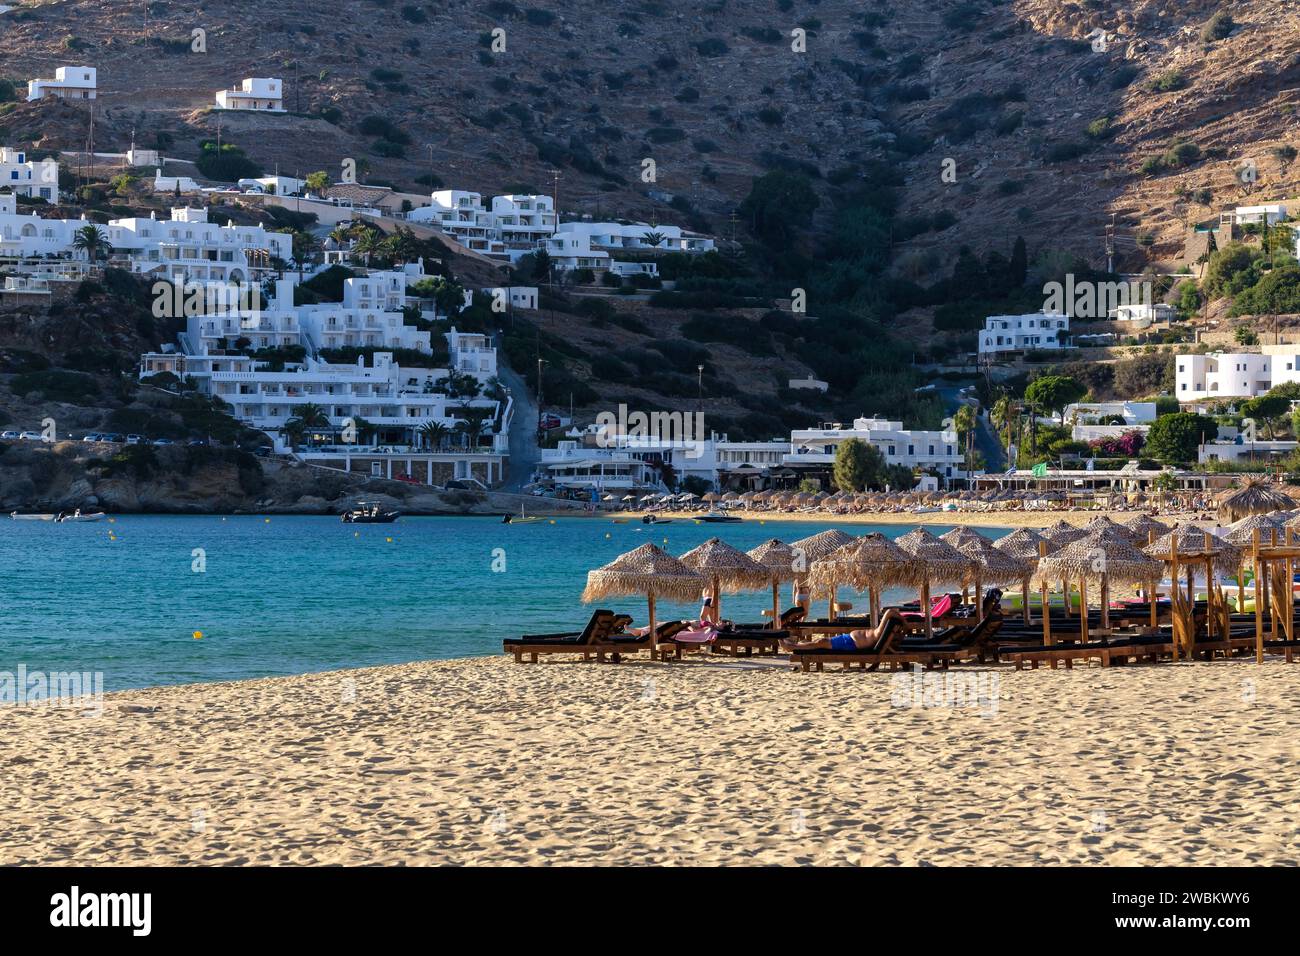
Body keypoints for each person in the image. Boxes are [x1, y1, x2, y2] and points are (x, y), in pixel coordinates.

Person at [780, 607, 905, 653]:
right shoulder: (879, 633)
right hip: (848, 640)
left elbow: (889, 612)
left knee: (820, 642)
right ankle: (796, 645)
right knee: (820, 642)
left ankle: (791, 647)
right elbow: (889, 613)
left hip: (849, 643)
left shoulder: (878, 634)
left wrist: (905, 622)